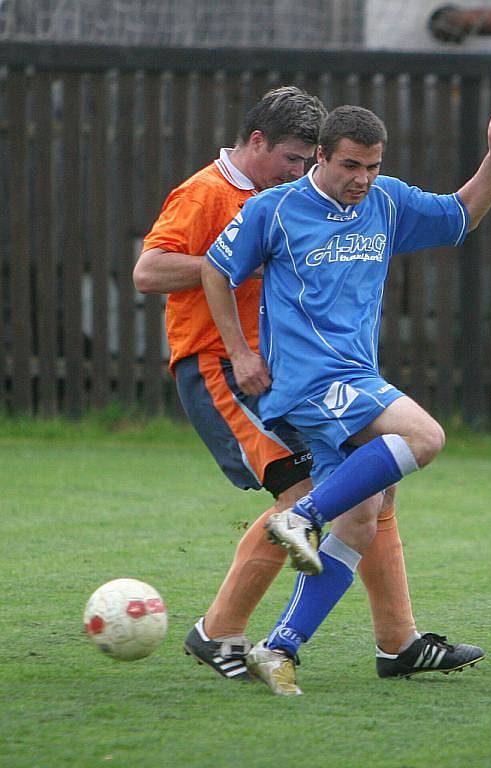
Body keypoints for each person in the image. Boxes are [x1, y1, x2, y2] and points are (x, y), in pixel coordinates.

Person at [134, 86, 466, 684]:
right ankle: (218, 631)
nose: (299, 169)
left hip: (281, 374)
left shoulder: (294, 203)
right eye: (292, 157)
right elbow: (149, 269)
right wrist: (251, 264)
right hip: (220, 368)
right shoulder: (210, 192)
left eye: (309, 158)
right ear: (256, 142)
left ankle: (399, 641)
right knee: (307, 498)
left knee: (369, 497)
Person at [201, 92, 491, 695]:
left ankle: (279, 648)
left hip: (355, 378)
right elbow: (215, 271)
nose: (362, 179)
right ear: (320, 156)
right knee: (424, 436)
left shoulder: (386, 201)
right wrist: (242, 354)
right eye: (351, 166)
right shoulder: (275, 209)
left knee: (361, 520)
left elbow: (461, 215)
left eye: (373, 167)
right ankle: (300, 517)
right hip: (309, 383)